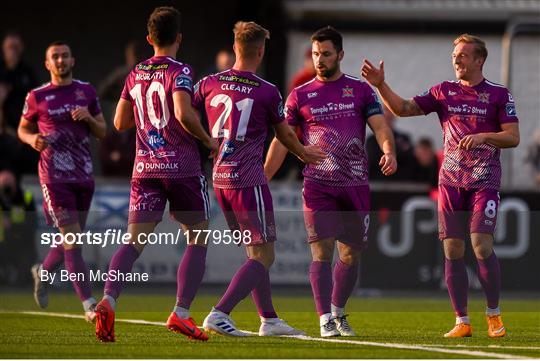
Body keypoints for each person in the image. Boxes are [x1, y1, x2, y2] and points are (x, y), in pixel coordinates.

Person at [362, 34, 520, 338]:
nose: (457, 60)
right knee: (452, 248)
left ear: (479, 60)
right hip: (450, 182)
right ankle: (462, 321)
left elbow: (512, 137)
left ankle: (494, 315)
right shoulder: (443, 92)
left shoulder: (499, 94)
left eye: (463, 55)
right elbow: (403, 108)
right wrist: (380, 85)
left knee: (481, 244)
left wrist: (485, 136)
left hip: (484, 180)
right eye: (454, 55)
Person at [94, 6, 218, 343]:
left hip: (145, 168)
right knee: (198, 235)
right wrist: (208, 140)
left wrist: (149, 117)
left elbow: (119, 122)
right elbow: (181, 111)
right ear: (178, 38)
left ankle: (108, 300)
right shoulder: (180, 71)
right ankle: (181, 313)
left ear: (150, 39)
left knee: (133, 242)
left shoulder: (135, 74)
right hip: (181, 168)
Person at [194, 21, 324, 337]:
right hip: (248, 180)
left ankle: (269, 319)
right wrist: (304, 153)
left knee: (254, 253)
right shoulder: (266, 91)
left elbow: (183, 111)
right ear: (261, 51)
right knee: (265, 255)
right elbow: (285, 134)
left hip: (220, 180)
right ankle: (219, 312)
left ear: (235, 48)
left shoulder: (209, 83)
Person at [265, 26, 397, 337]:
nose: (320, 60)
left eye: (326, 54)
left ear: (340, 54)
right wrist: (264, 175)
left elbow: (379, 126)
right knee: (321, 251)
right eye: (315, 54)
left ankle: (338, 311)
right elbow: (282, 139)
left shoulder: (360, 90)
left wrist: (389, 151)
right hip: (318, 184)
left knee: (350, 255)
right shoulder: (300, 95)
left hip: (354, 184)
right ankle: (324, 318)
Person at [18, 41, 107, 321]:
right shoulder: (37, 96)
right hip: (54, 177)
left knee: (71, 237)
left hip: (83, 175)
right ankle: (89, 305)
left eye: (64, 56)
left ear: (72, 60)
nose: (60, 60)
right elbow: (23, 128)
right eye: (54, 57)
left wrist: (89, 119)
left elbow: (103, 131)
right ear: (47, 64)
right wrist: (32, 138)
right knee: (73, 239)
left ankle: (43, 272)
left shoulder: (86, 91)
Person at [0, 32, 39, 174]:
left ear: (22, 49)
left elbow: (38, 104)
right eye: (10, 47)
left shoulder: (27, 73)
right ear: (3, 49)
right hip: (4, 134)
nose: (13, 51)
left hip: (25, 135)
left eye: (16, 47)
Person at [365, 105, 416, 181]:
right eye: (385, 110)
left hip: (402, 183)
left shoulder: (404, 138)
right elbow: (374, 159)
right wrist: (394, 153)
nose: (387, 114)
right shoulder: (371, 140)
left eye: (390, 110)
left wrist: (390, 154)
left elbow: (409, 158)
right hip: (378, 184)